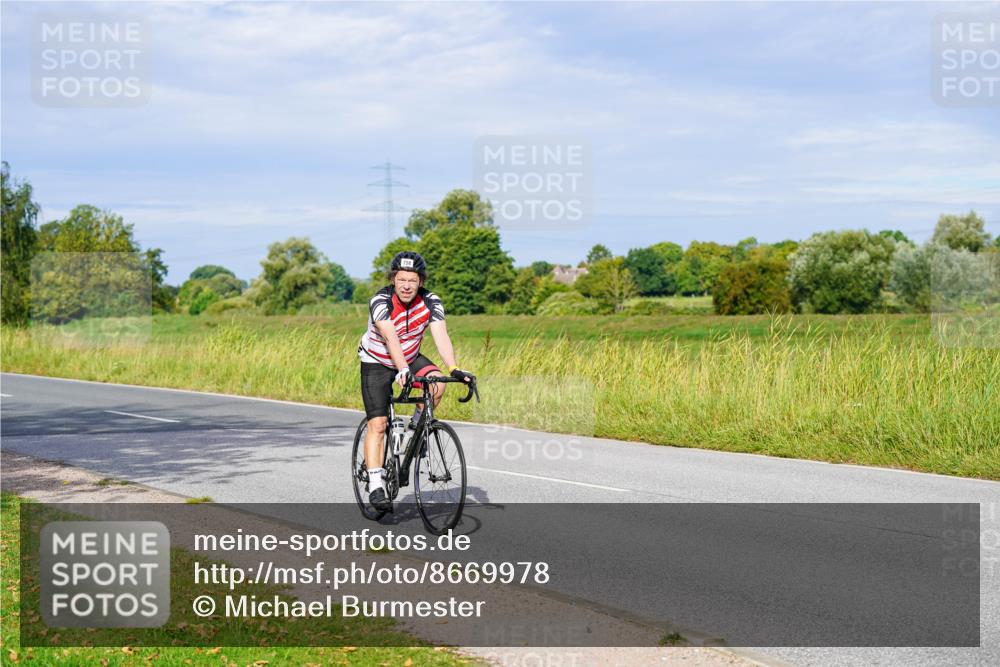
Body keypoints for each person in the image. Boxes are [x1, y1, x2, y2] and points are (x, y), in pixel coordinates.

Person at [358, 251, 474, 511]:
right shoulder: (380, 300)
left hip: (410, 356)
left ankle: (414, 435)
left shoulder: (431, 302)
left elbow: (440, 335)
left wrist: (454, 368)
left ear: (421, 281)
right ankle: (376, 483)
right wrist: (401, 369)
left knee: (437, 384)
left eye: (412, 280)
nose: (407, 285)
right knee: (378, 424)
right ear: (393, 280)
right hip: (377, 360)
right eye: (401, 280)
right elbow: (390, 338)